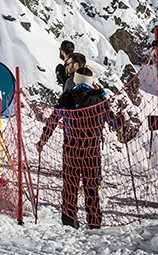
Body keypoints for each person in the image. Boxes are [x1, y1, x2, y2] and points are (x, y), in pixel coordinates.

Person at [36, 67, 116, 229]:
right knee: (91, 187)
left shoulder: (67, 98)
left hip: (72, 149)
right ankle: (94, 223)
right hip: (92, 150)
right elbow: (114, 122)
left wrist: (42, 142)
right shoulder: (101, 99)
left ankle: (69, 223)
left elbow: (53, 121)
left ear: (76, 80)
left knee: (70, 187)